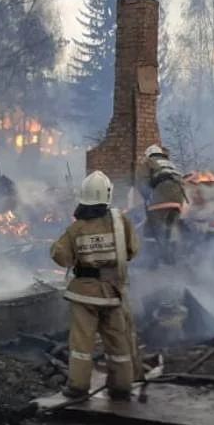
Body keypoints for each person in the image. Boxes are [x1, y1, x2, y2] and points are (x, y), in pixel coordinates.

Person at [50, 170, 141, 400]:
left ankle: (78, 387)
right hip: (113, 291)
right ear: (107, 194)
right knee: (118, 340)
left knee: (81, 343)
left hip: (84, 295)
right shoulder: (121, 222)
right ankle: (121, 386)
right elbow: (133, 250)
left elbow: (61, 256)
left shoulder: (76, 229)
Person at [141, 144, 187, 264]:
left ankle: (156, 259)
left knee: (153, 227)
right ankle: (171, 257)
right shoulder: (170, 164)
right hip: (178, 202)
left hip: (161, 199)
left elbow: (142, 183)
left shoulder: (148, 163)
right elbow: (181, 182)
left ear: (149, 155)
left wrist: (147, 198)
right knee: (169, 229)